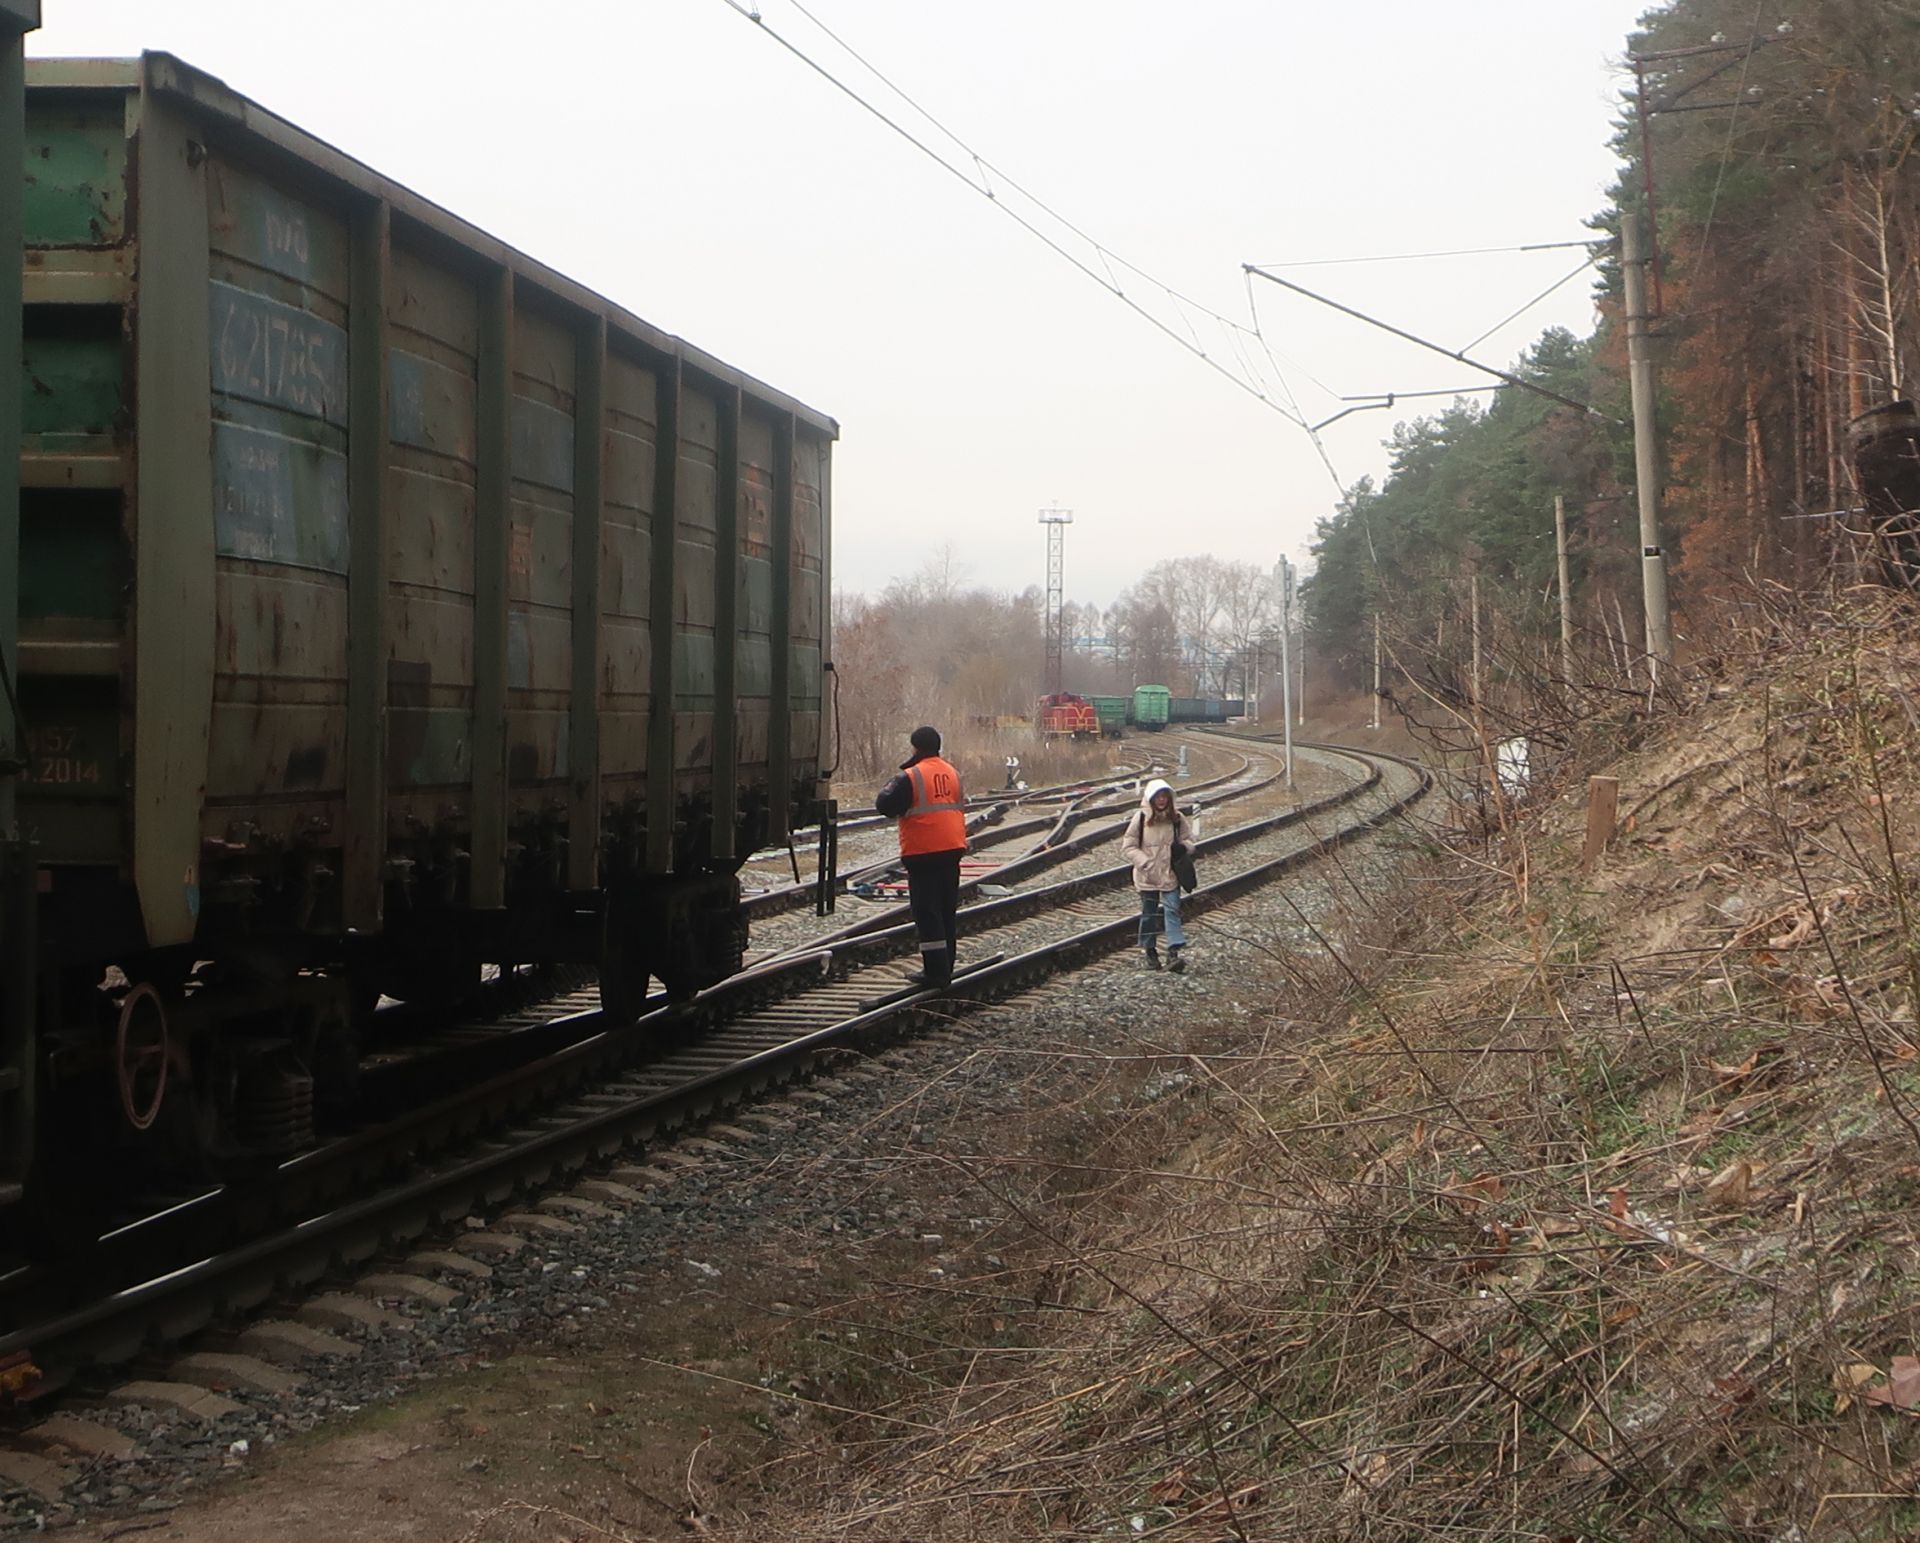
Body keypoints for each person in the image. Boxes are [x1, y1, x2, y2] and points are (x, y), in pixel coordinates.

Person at [875, 726, 968, 987]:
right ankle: (946, 965)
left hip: (924, 853)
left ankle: (935, 973)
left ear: (916, 748)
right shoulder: (953, 773)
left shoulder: (911, 776)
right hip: (952, 849)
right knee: (946, 910)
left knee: (927, 913)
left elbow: (885, 805)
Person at [1121, 778, 1196, 973]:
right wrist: (1144, 862)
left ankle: (1173, 952)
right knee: (1150, 914)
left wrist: (1184, 848)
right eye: (1158, 797)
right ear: (1151, 798)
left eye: (1165, 796)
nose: (1162, 800)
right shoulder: (1140, 819)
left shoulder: (1177, 819)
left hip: (1170, 874)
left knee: (1172, 910)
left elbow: (1189, 840)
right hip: (1147, 876)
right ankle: (1150, 951)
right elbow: (1128, 847)